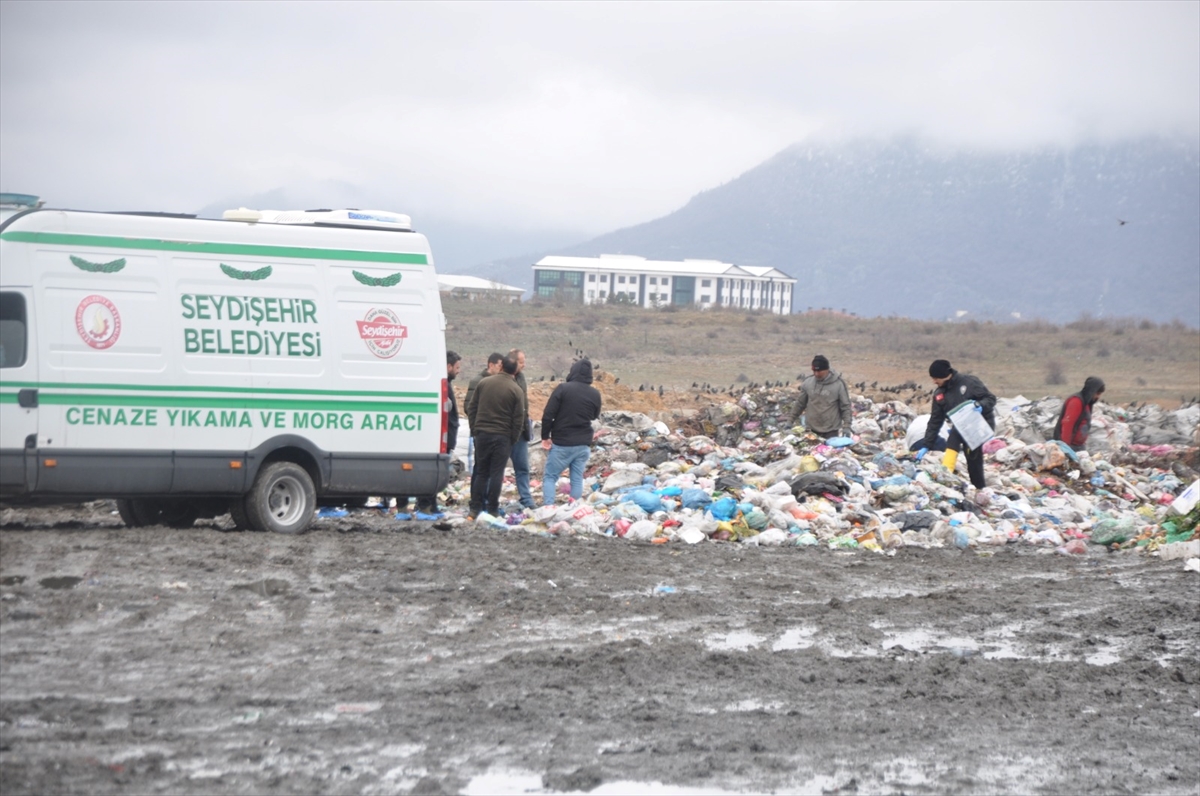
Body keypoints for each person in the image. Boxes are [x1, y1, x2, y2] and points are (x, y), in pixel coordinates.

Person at [915, 359, 997, 490]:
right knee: (956, 439)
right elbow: (935, 420)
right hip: (962, 427)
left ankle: (977, 487)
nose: (934, 381)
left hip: (980, 424)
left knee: (971, 456)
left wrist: (980, 405)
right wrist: (926, 445)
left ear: (944, 375)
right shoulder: (939, 394)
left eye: (936, 378)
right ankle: (949, 476)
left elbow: (990, 398)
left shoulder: (969, 382)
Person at [465, 355, 525, 518]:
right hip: (503, 437)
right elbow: (518, 418)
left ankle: (475, 509)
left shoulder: (484, 383)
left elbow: (472, 408)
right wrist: (512, 439)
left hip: (482, 434)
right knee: (496, 473)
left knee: (481, 472)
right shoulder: (516, 390)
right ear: (515, 371)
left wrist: (475, 429)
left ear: (501, 366)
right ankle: (492, 509)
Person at [407, 351, 462, 516]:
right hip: (440, 438)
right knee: (433, 474)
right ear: (448, 366)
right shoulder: (441, 384)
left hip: (445, 437)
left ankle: (430, 505)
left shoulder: (446, 384)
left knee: (436, 474)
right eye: (457, 367)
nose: (458, 371)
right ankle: (425, 505)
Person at [541, 359, 602, 505]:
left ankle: (549, 507)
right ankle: (573, 507)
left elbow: (548, 415)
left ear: (573, 371)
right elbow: (594, 415)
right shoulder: (595, 394)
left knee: (550, 477)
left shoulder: (563, 389)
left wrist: (545, 436)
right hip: (583, 444)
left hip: (562, 442)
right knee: (577, 479)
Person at [789, 354, 853, 438]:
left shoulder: (838, 384)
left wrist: (847, 426)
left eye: (819, 371)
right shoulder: (808, 383)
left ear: (827, 369)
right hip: (811, 428)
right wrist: (790, 421)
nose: (816, 374)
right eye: (814, 371)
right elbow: (800, 404)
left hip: (831, 430)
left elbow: (845, 407)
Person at [465, 352, 504, 474]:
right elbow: (469, 407)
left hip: (495, 431)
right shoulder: (477, 381)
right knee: (481, 467)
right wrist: (477, 427)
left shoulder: (500, 382)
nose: (501, 370)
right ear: (491, 365)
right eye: (499, 366)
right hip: (481, 431)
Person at [507, 348, 535, 509]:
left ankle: (526, 498)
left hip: (521, 431)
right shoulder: (501, 379)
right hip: (504, 431)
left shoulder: (521, 378)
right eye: (521, 362)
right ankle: (489, 500)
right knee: (495, 468)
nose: (524, 365)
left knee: (523, 467)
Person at [1053, 376, 1105, 451]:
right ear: (1091, 391)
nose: (1098, 397)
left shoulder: (1087, 403)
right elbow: (1068, 424)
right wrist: (1066, 448)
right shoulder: (1076, 402)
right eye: (1097, 393)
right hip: (1069, 445)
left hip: (1078, 446)